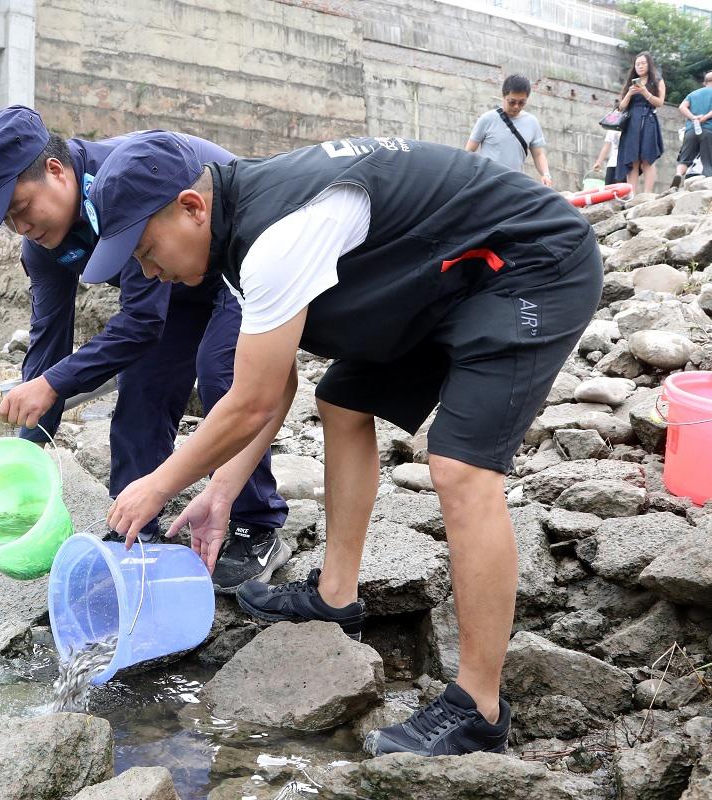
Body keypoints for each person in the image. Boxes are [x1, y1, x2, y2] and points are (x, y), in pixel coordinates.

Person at [84, 131, 601, 756]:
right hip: (441, 274)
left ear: (192, 208)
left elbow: (250, 401)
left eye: (145, 251)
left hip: (529, 262)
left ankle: (479, 709)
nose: (147, 271)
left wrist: (157, 485)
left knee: (460, 467)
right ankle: (335, 596)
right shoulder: (237, 227)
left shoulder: (278, 235)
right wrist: (221, 490)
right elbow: (275, 383)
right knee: (342, 402)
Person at [0, 107, 289, 592]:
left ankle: (255, 525)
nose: (21, 227)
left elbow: (140, 323)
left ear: (55, 171)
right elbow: (48, 344)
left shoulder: (123, 181)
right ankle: (135, 529)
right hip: (172, 277)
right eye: (7, 221)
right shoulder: (42, 247)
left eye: (21, 207)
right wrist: (27, 454)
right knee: (142, 387)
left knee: (222, 369)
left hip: (234, 257)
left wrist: (52, 385)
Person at [465, 74, 553, 187]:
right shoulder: (487, 119)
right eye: (512, 102)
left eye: (521, 103)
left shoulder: (532, 122)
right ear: (504, 96)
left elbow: (538, 154)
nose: (516, 106)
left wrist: (546, 174)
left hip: (513, 185)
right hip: (487, 183)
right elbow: (469, 151)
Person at [616, 51, 666, 194]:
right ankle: (631, 195)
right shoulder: (630, 82)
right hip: (631, 122)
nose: (640, 66)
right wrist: (630, 93)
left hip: (648, 120)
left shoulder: (657, 81)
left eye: (643, 63)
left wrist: (645, 92)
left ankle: (647, 194)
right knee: (632, 160)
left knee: (647, 158)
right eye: (637, 64)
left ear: (649, 64)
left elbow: (660, 103)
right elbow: (621, 107)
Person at [671, 72, 712, 188]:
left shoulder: (693, 94)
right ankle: (707, 184)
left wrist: (693, 117)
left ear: (705, 82)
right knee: (708, 162)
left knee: (684, 159)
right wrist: (705, 117)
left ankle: (678, 175)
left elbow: (682, 107)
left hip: (691, 129)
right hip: (709, 130)